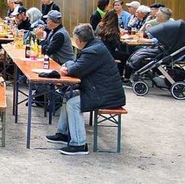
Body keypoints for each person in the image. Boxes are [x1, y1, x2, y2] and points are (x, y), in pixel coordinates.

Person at [45, 24, 126, 155]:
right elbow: (76, 64)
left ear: (79, 40)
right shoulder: (94, 46)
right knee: (67, 96)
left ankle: (79, 144)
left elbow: (76, 70)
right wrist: (69, 65)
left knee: (73, 104)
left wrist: (68, 66)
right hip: (100, 90)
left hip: (106, 95)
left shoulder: (92, 51)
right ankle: (63, 133)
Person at [95, 7, 130, 81]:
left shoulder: (100, 25)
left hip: (98, 51)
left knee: (121, 54)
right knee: (126, 56)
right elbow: (116, 45)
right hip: (109, 53)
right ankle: (122, 76)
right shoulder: (113, 29)